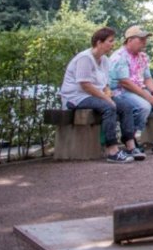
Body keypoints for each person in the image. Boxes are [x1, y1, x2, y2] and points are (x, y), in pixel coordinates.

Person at [58, 26, 144, 163]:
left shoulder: (104, 60)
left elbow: (104, 83)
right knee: (109, 107)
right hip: (76, 97)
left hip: (95, 95)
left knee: (126, 106)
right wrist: (106, 98)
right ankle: (112, 150)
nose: (113, 44)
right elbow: (85, 85)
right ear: (99, 42)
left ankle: (130, 145)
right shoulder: (85, 58)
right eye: (110, 41)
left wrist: (108, 93)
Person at [108, 26, 153, 155]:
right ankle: (131, 140)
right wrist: (148, 97)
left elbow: (147, 78)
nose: (144, 42)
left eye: (145, 39)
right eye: (141, 39)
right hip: (121, 92)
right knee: (144, 106)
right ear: (129, 40)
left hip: (140, 91)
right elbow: (125, 82)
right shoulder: (120, 56)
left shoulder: (142, 56)